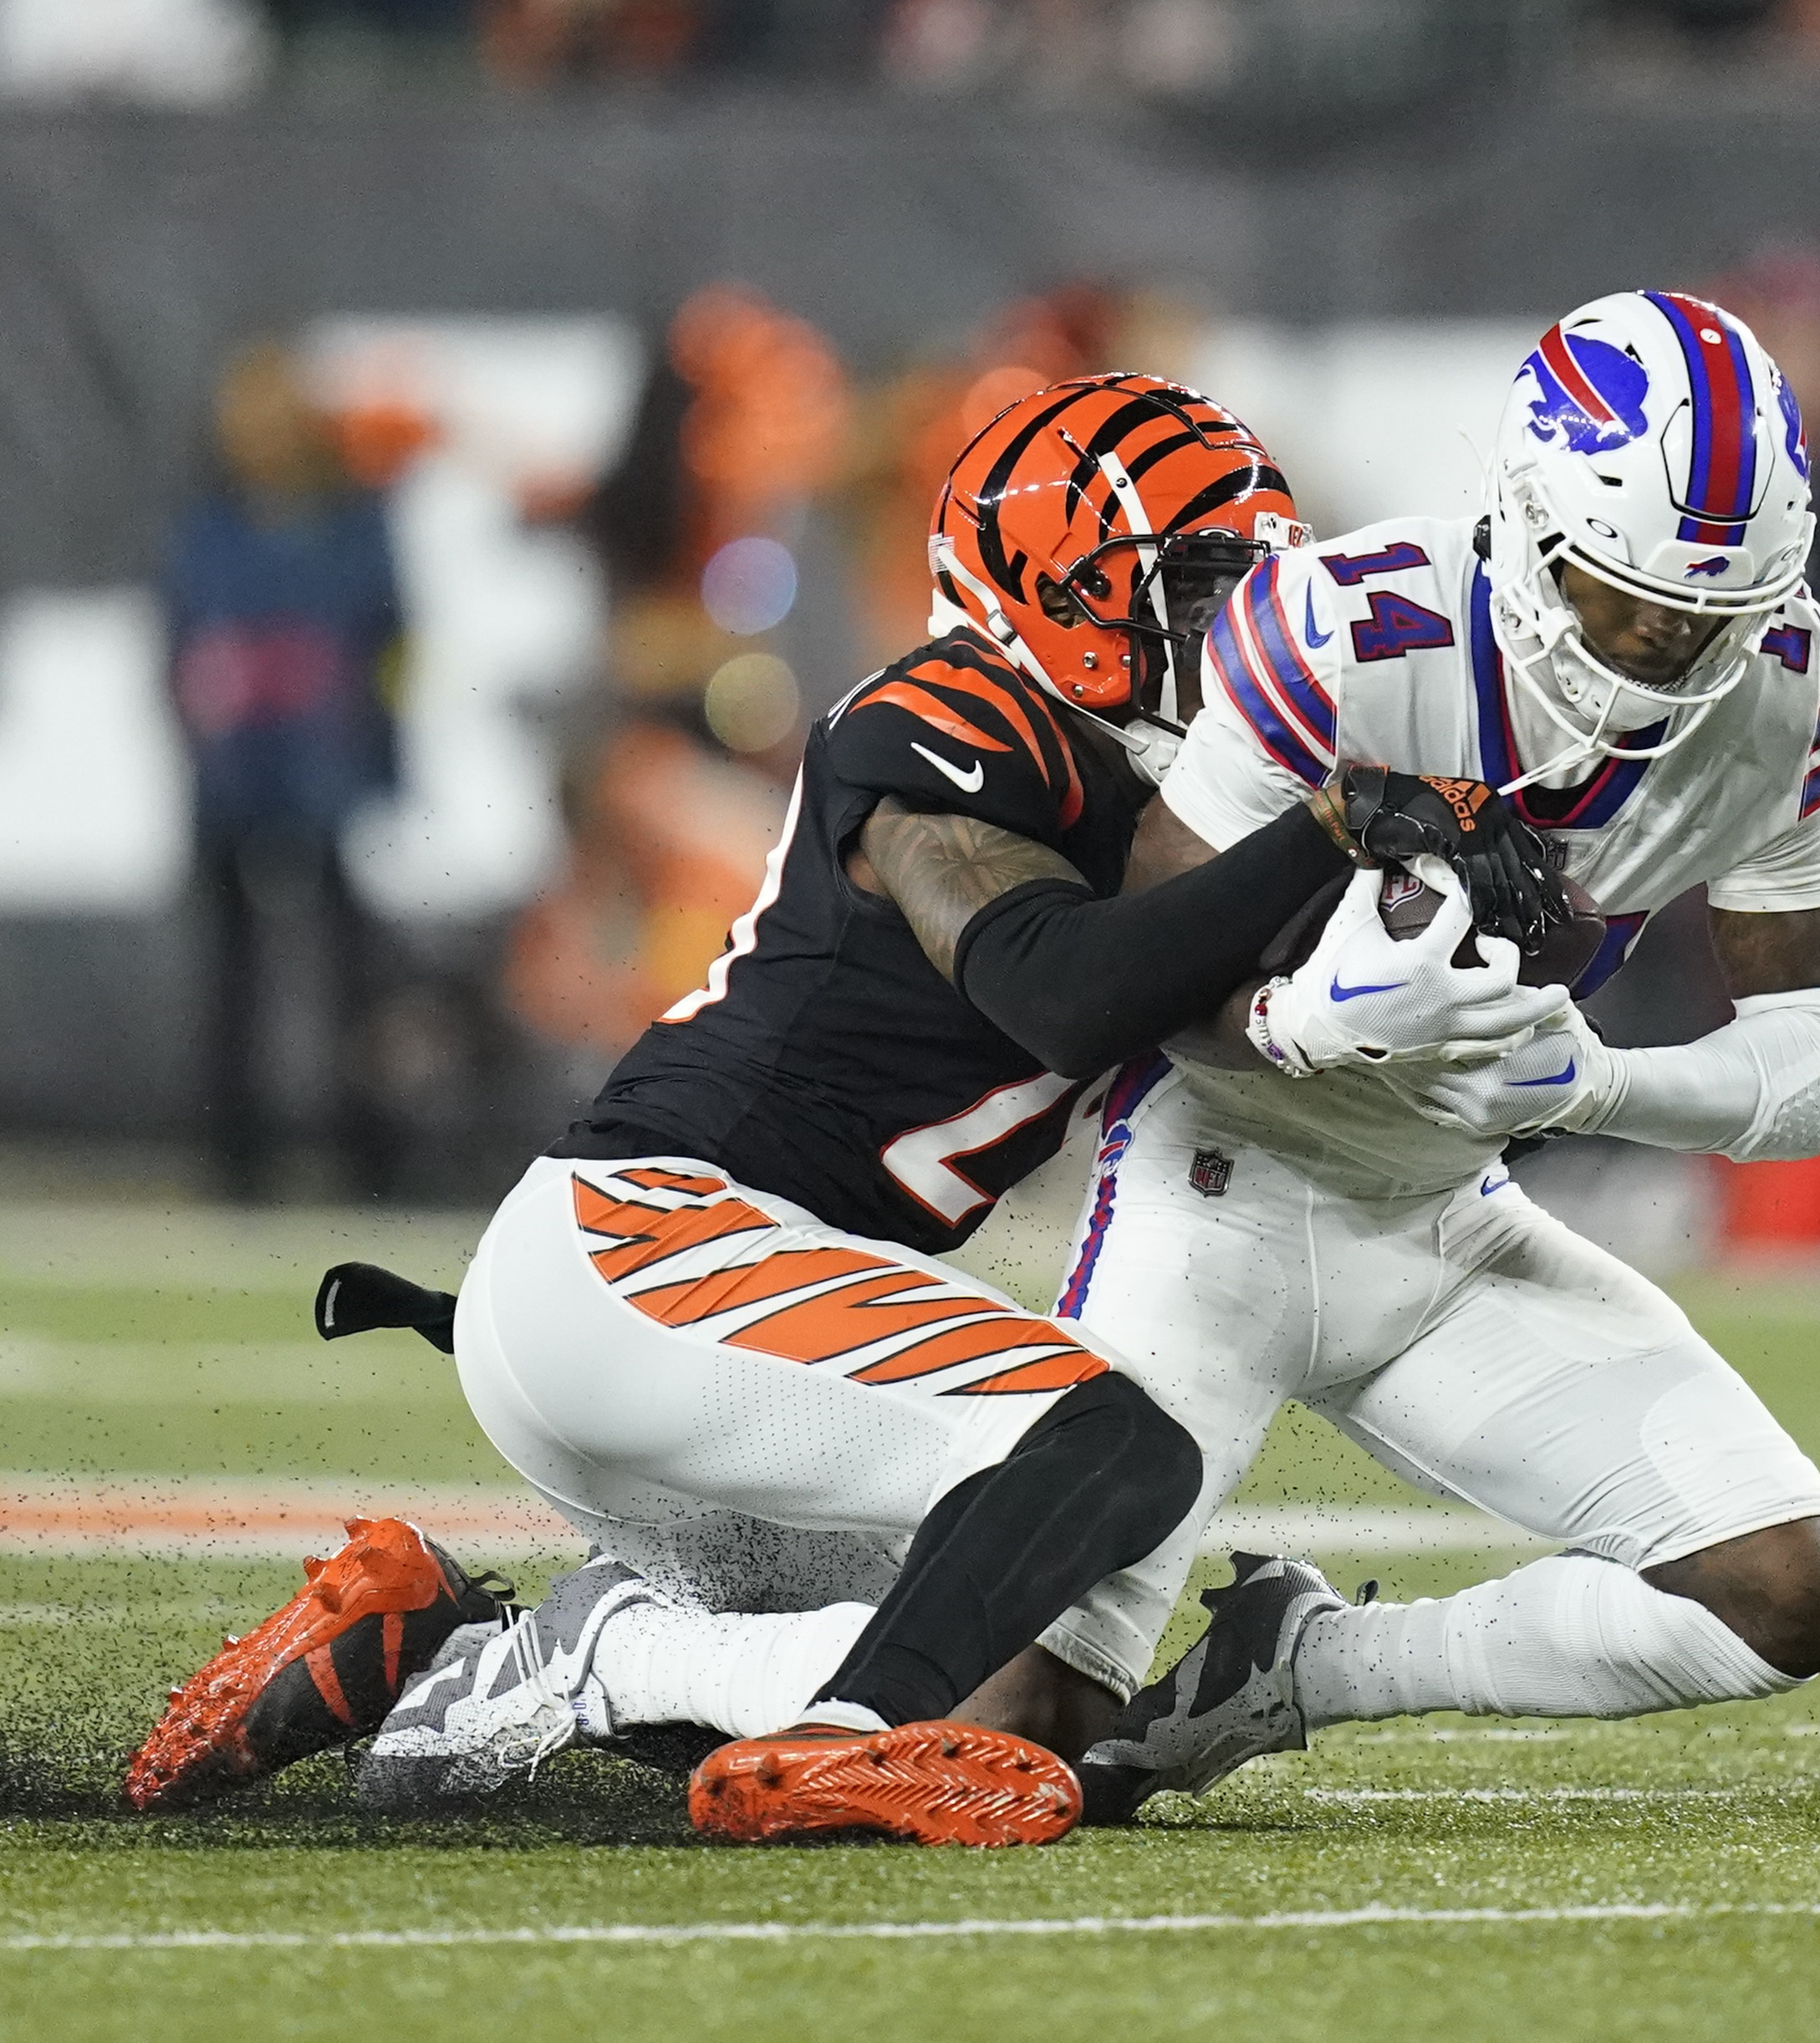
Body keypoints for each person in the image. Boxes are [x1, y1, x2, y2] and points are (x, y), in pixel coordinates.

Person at [125, 375, 1568, 1846]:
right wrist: (1330, 831)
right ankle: (841, 1737)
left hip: (704, 1306)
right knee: (1114, 1446)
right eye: (1196, 588)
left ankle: (460, 1649)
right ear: (1054, 589)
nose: (1238, 630)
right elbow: (1056, 987)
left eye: (1254, 587)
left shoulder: (1176, 790)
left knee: (1028, 1684)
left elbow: (1259, 1004)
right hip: (648, 1242)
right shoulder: (947, 715)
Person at [1054, 292, 1820, 1821]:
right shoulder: (1341, 625)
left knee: (1787, 1588)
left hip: (1443, 1219)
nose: (1663, 650)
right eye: (1625, 598)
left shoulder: (1785, 687)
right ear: (1522, 514)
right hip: (1218, 1192)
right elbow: (1130, 980)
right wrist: (1302, 1018)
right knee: (1032, 1744)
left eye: (1711, 617)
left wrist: (1599, 1086)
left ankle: (1311, 1661)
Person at [163, 341, 406, 1203]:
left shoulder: (353, 525)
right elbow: (179, 649)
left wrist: (379, 755)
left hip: (326, 767)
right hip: (237, 774)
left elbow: (391, 642)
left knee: (353, 971)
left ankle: (369, 1153)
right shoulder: (211, 527)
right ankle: (237, 1160)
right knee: (235, 975)